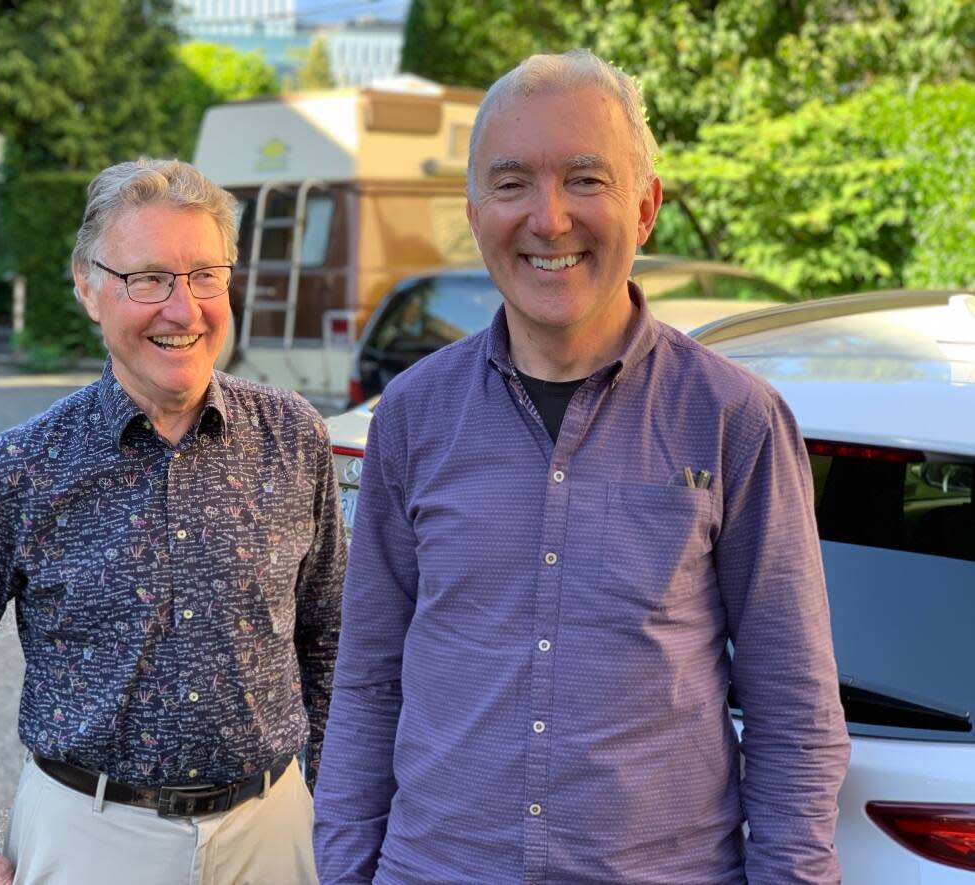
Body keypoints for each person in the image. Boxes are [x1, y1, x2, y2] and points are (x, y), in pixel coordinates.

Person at [313, 50, 849, 884]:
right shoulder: (411, 415)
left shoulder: (734, 422)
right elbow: (370, 682)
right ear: (475, 210)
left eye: (586, 179)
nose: (550, 218)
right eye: (513, 182)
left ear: (646, 207)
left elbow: (795, 715)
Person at [0, 158, 346, 885]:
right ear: (87, 285)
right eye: (149, 278)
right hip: (89, 841)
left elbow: (332, 643)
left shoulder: (294, 436)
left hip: (275, 834)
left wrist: (336, 805)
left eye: (205, 275)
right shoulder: (24, 465)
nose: (183, 308)